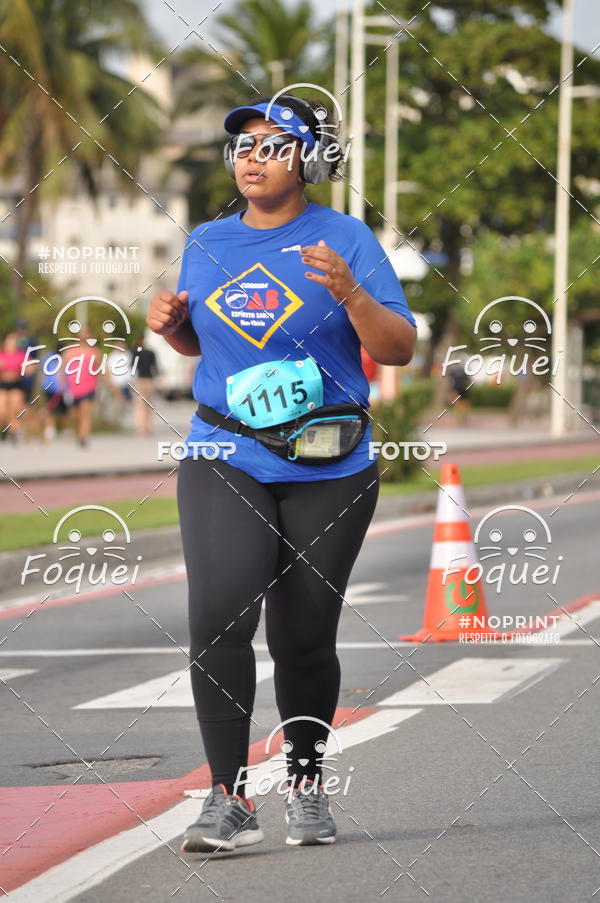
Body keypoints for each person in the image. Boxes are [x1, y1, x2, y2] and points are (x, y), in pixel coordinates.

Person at [146, 94, 417, 853]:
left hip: (329, 464)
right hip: (223, 451)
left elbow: (396, 348)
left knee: (302, 639)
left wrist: (351, 292)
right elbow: (209, 346)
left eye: (271, 145)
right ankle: (228, 797)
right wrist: (175, 330)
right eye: (243, 147)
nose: (252, 159)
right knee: (219, 617)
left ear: (311, 159)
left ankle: (304, 781)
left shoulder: (345, 238)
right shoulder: (206, 240)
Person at [62, 325, 100, 447]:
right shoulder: (70, 351)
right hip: (73, 388)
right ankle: (79, 433)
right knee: (76, 415)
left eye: (88, 333)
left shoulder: (94, 352)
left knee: (86, 411)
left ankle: (84, 436)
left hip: (89, 387)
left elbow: (99, 369)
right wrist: (63, 386)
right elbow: (63, 370)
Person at [0, 332, 26, 443]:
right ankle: (7, 428)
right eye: (10, 340)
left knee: (14, 406)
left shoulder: (21, 354)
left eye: (14, 341)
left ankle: (14, 430)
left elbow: (30, 366)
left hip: (16, 384)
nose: (12, 343)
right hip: (2, 384)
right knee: (2, 410)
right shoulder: (1, 354)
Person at [131, 335, 158, 436]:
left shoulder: (135, 353)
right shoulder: (151, 353)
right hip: (149, 380)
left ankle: (140, 428)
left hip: (139, 380)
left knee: (139, 405)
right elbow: (155, 367)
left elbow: (132, 367)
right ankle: (148, 427)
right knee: (149, 406)